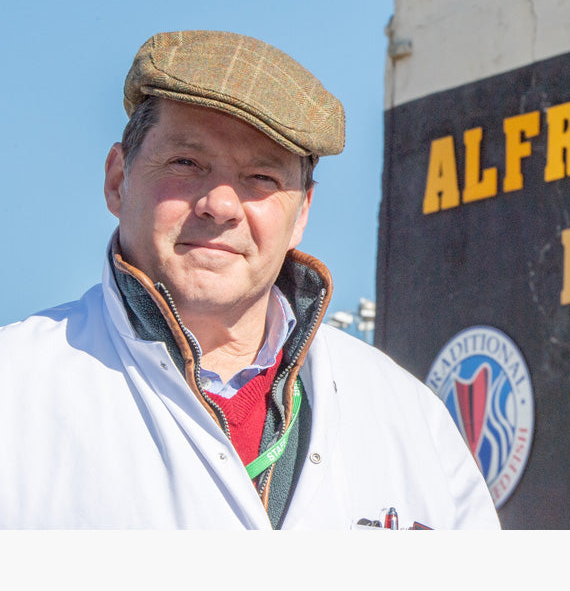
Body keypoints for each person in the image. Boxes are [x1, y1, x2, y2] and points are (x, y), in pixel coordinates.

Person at [0, 30, 500, 530]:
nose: (219, 206)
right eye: (186, 163)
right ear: (117, 180)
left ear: (302, 212)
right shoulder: (17, 390)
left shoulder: (411, 419)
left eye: (262, 177)